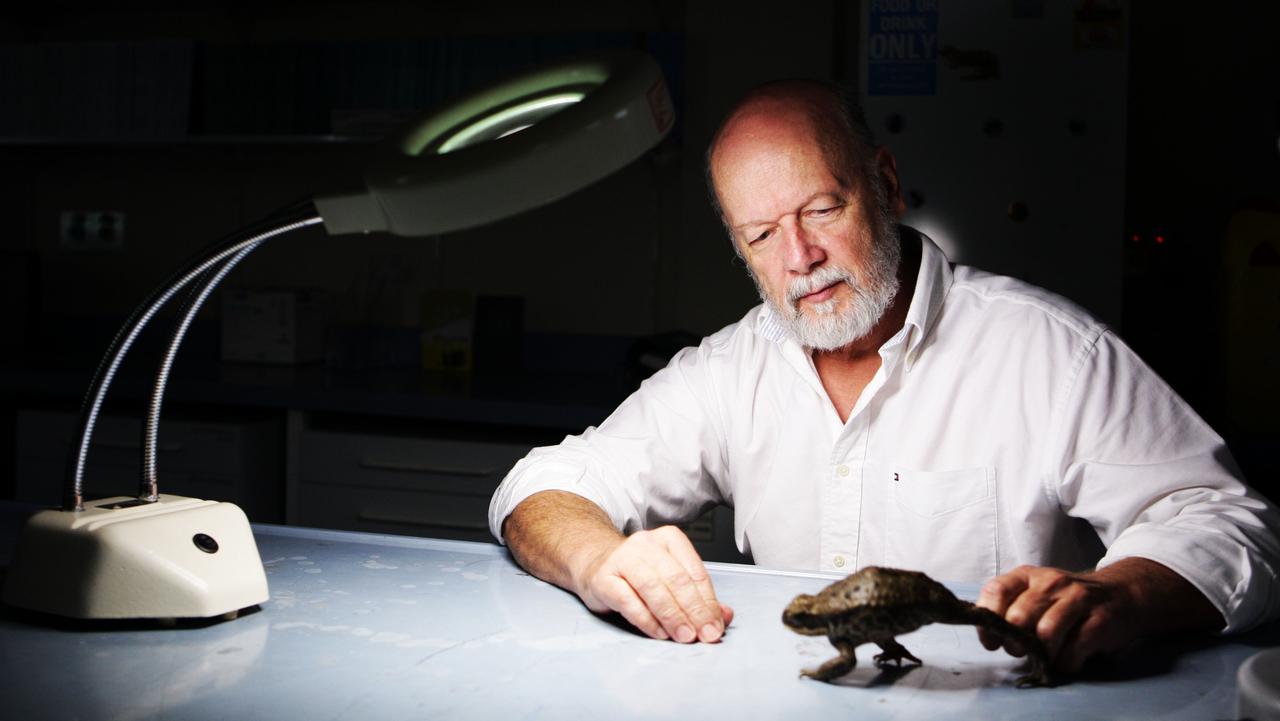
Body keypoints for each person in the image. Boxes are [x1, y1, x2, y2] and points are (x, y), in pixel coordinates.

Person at [488, 80, 1280, 671]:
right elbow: (541, 486)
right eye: (762, 233)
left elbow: (1229, 520)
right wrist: (598, 558)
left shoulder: (1052, 353)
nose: (799, 258)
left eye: (822, 209)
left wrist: (1127, 593)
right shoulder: (729, 372)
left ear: (887, 184)